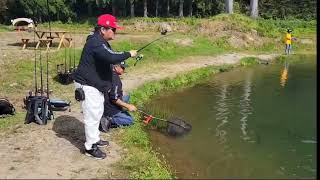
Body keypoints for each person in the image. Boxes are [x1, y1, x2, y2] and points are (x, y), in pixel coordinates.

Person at [72, 14, 137, 160]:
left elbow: (110, 56)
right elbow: (111, 57)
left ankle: (95, 139)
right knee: (92, 116)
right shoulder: (95, 42)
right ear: (103, 29)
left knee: (98, 112)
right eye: (113, 29)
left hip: (96, 85)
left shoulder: (100, 41)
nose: (115, 32)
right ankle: (90, 147)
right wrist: (129, 54)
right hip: (87, 85)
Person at [100, 61, 137, 132]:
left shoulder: (109, 73)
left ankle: (118, 111)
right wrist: (128, 106)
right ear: (116, 67)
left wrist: (120, 92)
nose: (124, 69)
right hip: (110, 108)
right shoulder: (115, 79)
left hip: (104, 101)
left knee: (126, 96)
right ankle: (108, 120)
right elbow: (114, 99)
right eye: (122, 67)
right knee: (130, 120)